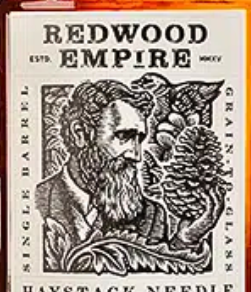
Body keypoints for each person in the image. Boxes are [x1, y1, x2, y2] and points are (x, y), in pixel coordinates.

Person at [36, 80, 169, 248]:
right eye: (124, 136)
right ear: (79, 134)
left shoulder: (152, 216)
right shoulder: (38, 200)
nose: (136, 156)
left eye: (140, 139)